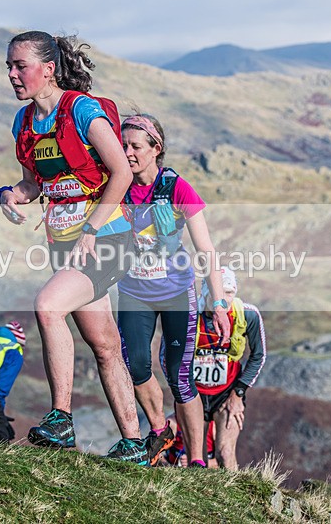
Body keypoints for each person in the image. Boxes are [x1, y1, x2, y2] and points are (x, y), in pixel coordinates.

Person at [0, 30, 147, 463]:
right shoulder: (23, 124)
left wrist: (93, 227)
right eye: (8, 66)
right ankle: (135, 445)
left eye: (19, 65)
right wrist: (11, 194)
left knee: (47, 306)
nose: (12, 74)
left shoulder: (82, 111)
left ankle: (61, 420)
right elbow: (32, 184)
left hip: (109, 238)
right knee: (103, 344)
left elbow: (120, 172)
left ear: (48, 69)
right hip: (66, 246)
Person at [116, 113, 231, 467]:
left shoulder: (177, 187)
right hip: (134, 291)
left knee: (179, 375)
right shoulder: (116, 184)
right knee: (133, 364)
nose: (127, 153)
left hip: (177, 292)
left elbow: (206, 249)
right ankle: (161, 430)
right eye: (123, 146)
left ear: (156, 149)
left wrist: (220, 303)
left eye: (135, 146)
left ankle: (196, 461)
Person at [193, 267, 266, 470]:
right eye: (217, 292)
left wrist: (238, 394)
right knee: (198, 461)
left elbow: (259, 355)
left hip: (227, 394)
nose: (223, 299)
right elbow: (167, 357)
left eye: (229, 293)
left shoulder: (248, 315)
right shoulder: (189, 316)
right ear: (205, 293)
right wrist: (182, 396)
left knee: (225, 453)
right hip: (194, 396)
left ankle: (238, 500)